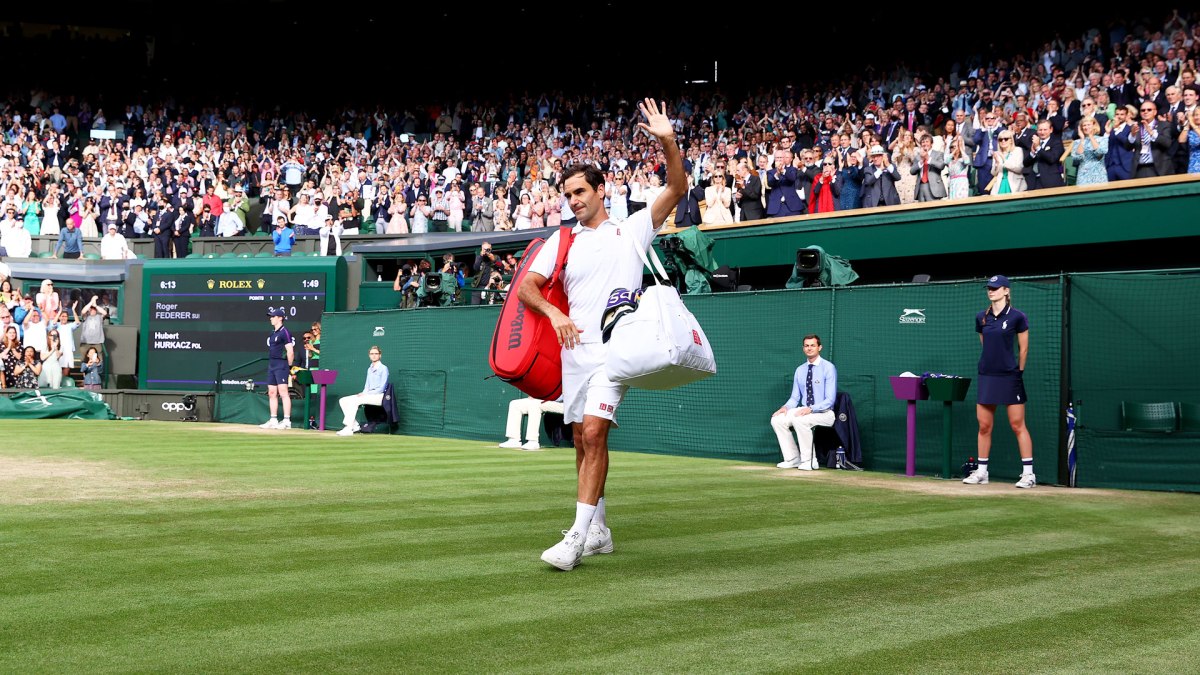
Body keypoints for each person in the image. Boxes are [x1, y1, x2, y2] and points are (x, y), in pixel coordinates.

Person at [518, 98, 685, 571]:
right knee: (579, 439)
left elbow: (676, 186)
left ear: (600, 190)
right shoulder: (562, 239)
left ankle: (574, 539)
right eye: (567, 194)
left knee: (594, 433)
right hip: (576, 353)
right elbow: (528, 287)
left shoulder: (632, 229)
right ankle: (599, 530)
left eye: (579, 192)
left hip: (617, 351)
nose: (573, 200)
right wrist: (554, 313)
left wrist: (667, 140)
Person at [964, 275, 1035, 489]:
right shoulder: (981, 317)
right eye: (989, 288)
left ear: (1006, 291)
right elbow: (985, 345)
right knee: (984, 426)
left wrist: (1018, 372)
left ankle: (1029, 474)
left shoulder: (1017, 317)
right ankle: (982, 472)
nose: (991, 291)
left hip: (1010, 377)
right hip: (987, 376)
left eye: (995, 288)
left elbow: (1023, 349)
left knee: (1017, 425)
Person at [770, 335, 837, 471]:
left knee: (800, 420)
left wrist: (811, 409)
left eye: (812, 345)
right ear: (803, 348)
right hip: (805, 410)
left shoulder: (828, 368)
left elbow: (830, 400)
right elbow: (795, 397)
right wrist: (785, 407)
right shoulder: (800, 370)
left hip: (825, 413)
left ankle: (810, 461)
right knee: (777, 419)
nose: (809, 348)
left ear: (819, 347)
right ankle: (793, 459)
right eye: (806, 346)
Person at [336, 345, 390, 436]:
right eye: (372, 354)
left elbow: (381, 388)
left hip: (379, 396)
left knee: (356, 401)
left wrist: (366, 394)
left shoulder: (384, 368)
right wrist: (364, 393)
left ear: (380, 355)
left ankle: (349, 428)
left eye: (376, 354)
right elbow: (367, 385)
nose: (374, 355)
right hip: (369, 395)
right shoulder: (369, 369)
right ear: (369, 355)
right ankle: (355, 425)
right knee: (343, 400)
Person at [260, 307, 295, 429]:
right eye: (271, 316)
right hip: (272, 365)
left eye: (273, 316)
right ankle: (273, 419)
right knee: (272, 392)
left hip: (282, 365)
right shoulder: (273, 332)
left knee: (284, 393)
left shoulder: (285, 332)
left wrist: (289, 367)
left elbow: (290, 351)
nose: (271, 318)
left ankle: (286, 421)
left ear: (280, 318)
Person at [498, 396, 565, 451]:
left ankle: (533, 441)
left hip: (566, 404)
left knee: (534, 404)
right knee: (515, 404)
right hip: (545, 399)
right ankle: (513, 440)